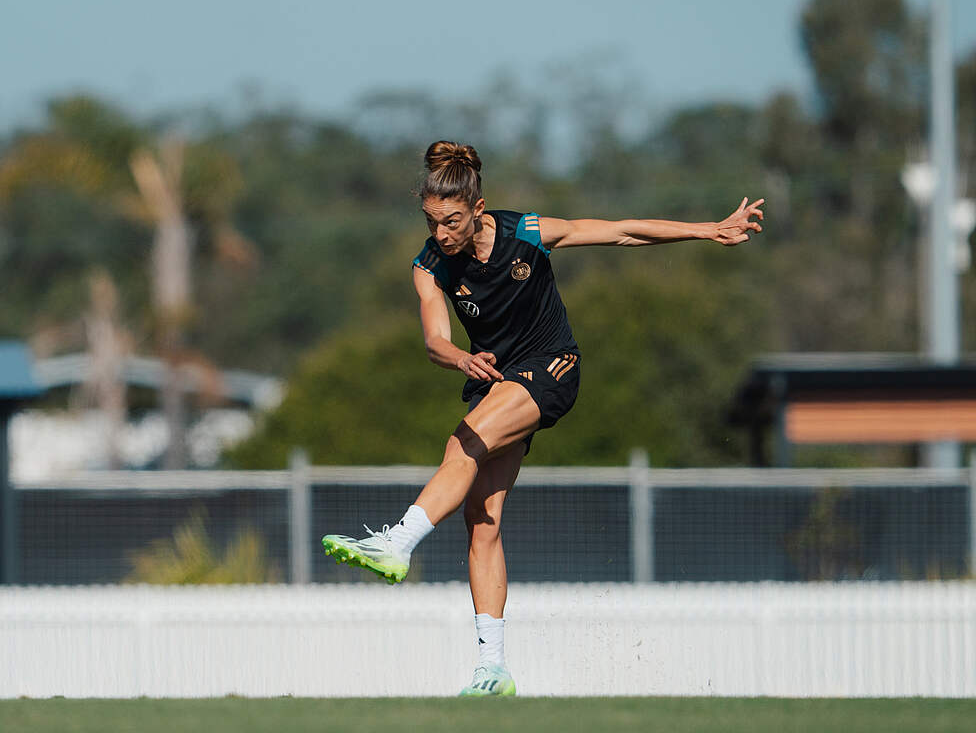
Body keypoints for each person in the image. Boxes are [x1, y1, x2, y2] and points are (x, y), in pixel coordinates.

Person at [320, 140, 765, 697]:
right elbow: (435, 339)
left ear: (478, 210)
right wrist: (460, 356)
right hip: (497, 380)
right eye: (432, 222)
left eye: (452, 221)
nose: (442, 234)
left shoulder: (525, 232)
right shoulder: (429, 266)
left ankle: (398, 542)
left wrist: (709, 230)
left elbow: (621, 230)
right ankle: (492, 670)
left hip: (553, 369)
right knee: (482, 520)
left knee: (463, 443)